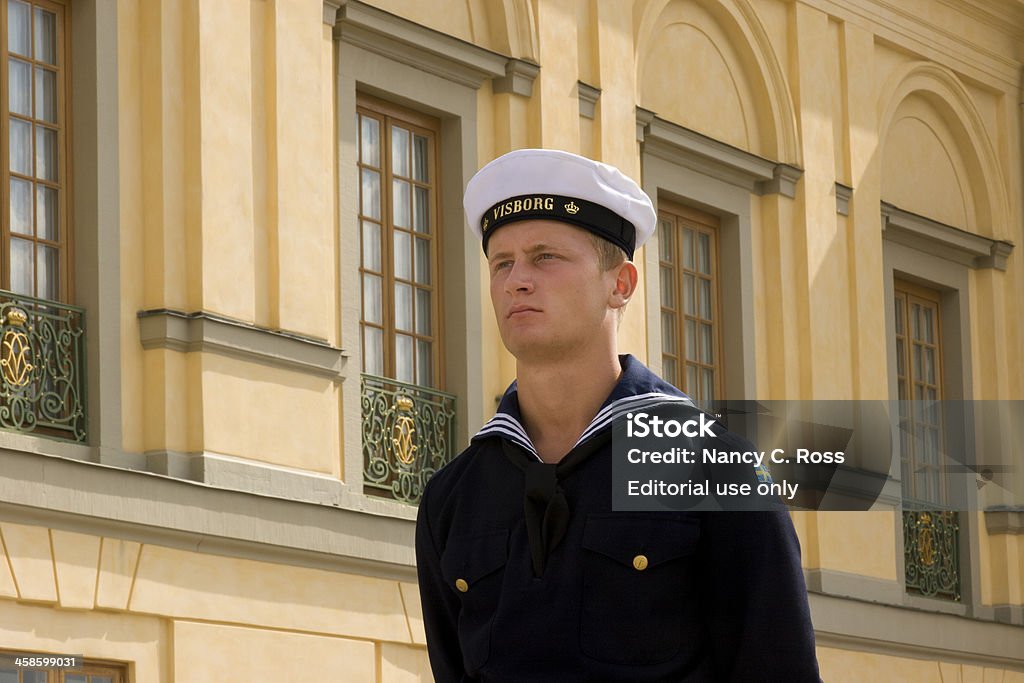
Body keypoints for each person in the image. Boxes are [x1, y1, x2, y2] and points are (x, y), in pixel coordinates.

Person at [415, 149, 821, 682]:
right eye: (502, 262)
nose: (517, 280)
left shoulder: (715, 467)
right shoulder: (454, 496)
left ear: (620, 284)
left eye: (545, 257)